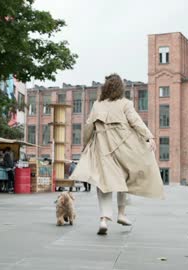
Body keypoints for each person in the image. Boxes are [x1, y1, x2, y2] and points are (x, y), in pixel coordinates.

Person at [70, 74, 164, 235]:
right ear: (121, 88)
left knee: (104, 182)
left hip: (103, 147)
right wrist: (149, 137)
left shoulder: (97, 105)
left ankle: (104, 219)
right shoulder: (125, 103)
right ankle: (121, 213)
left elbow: (88, 126)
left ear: (105, 88)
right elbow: (136, 121)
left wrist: (85, 145)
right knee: (125, 178)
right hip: (124, 145)